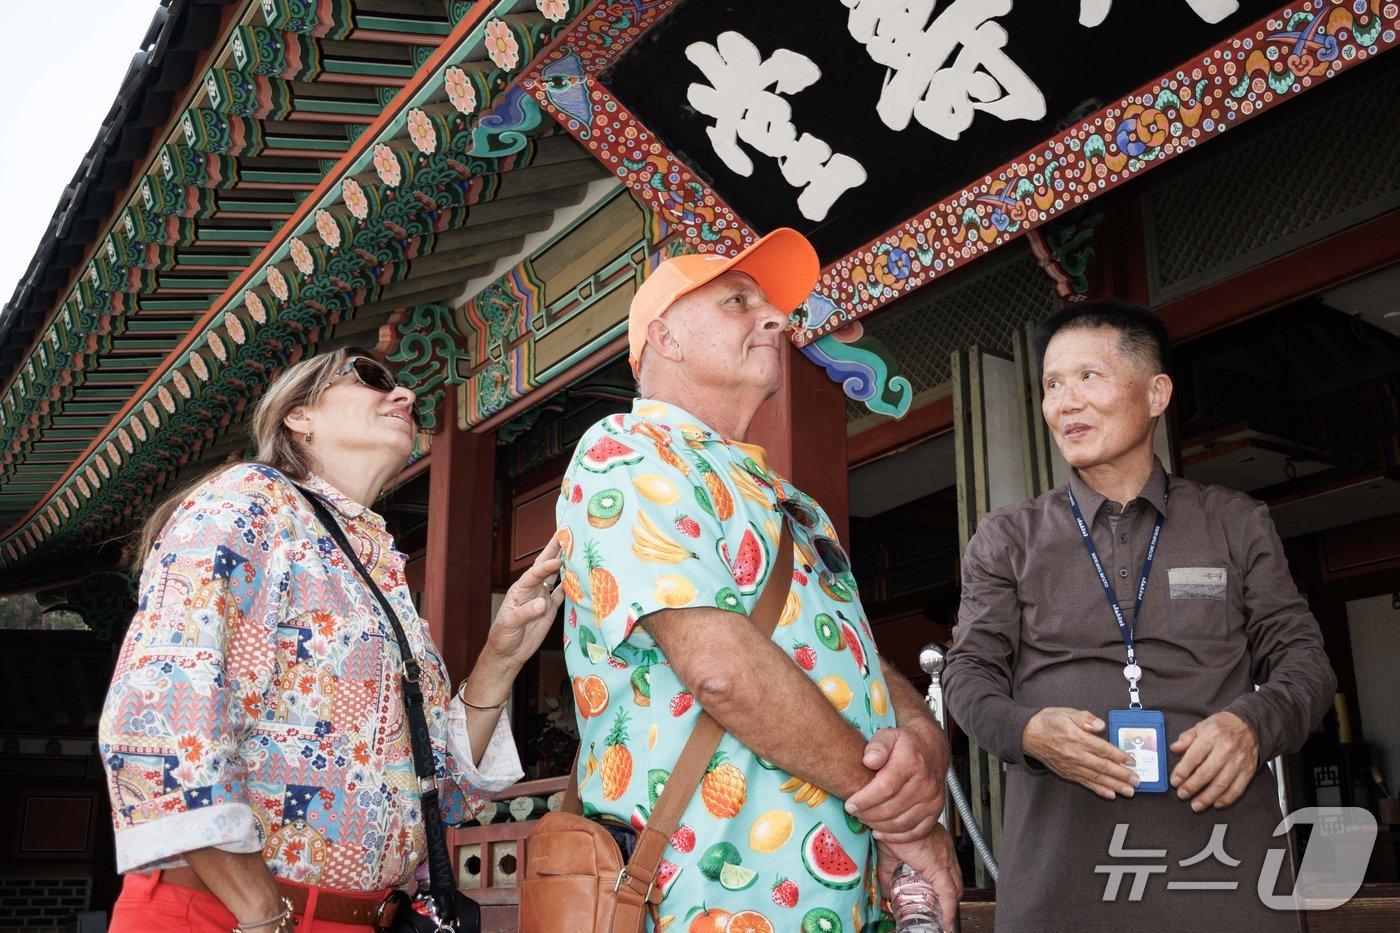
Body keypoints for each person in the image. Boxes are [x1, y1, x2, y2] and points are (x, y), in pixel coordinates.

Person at [554, 230, 961, 930]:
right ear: (666, 338)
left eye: (770, 305)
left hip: (844, 895)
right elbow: (721, 670)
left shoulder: (789, 500)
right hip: (720, 895)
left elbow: (852, 656)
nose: (774, 317)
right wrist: (901, 818)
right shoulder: (625, 450)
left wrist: (921, 736)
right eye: (738, 301)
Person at [99, 348, 563, 932]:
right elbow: (160, 709)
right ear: (298, 415)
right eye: (371, 379)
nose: (406, 397)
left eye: (404, 388)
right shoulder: (250, 504)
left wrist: (501, 655)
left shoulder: (374, 565)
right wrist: (260, 911)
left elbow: (439, 793)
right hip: (227, 914)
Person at [943, 300, 1337, 931]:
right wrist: (1026, 732)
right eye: (1051, 385)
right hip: (1060, 877)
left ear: (1156, 394)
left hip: (1224, 870)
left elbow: (1304, 662)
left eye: (1088, 377)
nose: (1064, 402)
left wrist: (1255, 725)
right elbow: (966, 674)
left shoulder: (1234, 522)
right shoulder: (1008, 537)